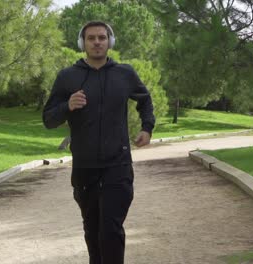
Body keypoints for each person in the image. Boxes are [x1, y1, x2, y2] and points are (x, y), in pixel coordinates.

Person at [42, 21, 155, 264]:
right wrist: (67, 106)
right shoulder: (68, 77)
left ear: (109, 42)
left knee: (111, 229)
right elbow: (48, 119)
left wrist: (147, 128)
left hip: (118, 165)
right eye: (91, 38)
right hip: (84, 167)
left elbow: (144, 100)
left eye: (102, 37)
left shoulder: (124, 73)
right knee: (92, 230)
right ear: (83, 43)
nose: (97, 42)